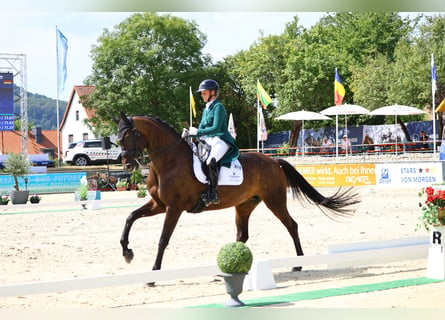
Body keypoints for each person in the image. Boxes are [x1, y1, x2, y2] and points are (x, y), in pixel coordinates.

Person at [188, 79, 240, 206]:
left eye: (204, 93)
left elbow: (216, 128)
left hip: (221, 139)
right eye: (201, 93)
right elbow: (201, 128)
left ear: (213, 92)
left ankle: (213, 193)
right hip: (209, 140)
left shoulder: (218, 107)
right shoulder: (206, 109)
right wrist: (192, 134)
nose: (202, 95)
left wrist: (198, 132)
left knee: (210, 161)